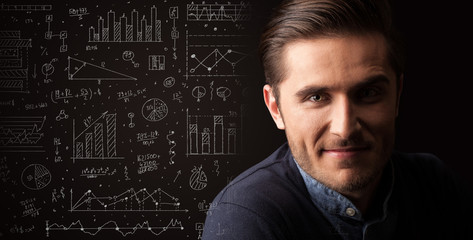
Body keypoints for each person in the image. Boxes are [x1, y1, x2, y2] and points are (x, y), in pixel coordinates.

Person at [202, 0, 472, 239]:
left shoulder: (434, 183)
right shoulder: (244, 217)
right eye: (316, 97)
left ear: (397, 96)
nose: (345, 128)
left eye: (367, 93)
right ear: (275, 108)